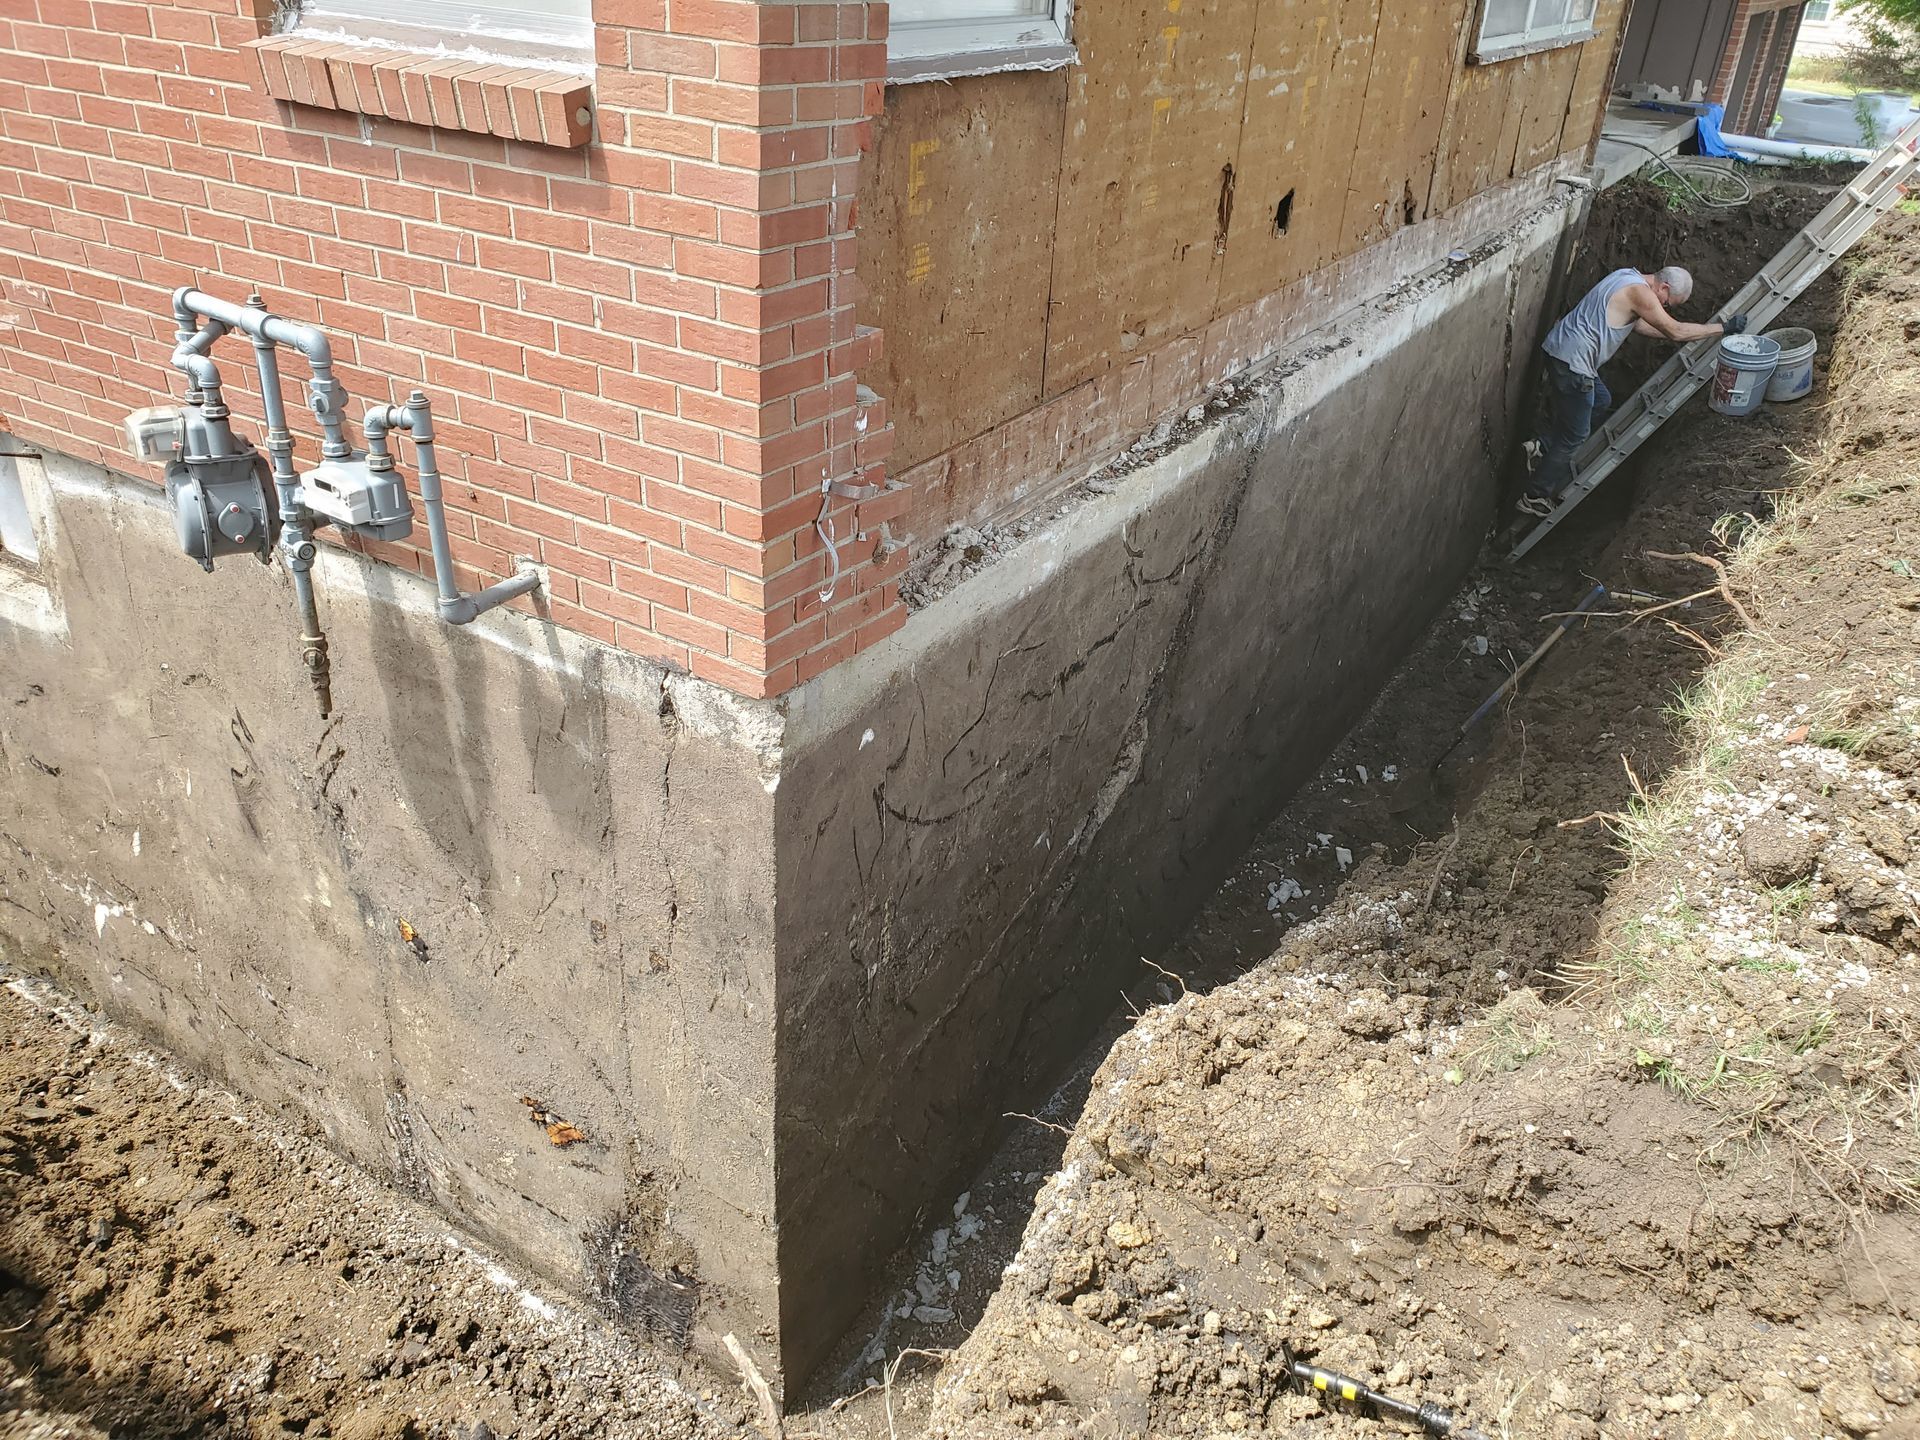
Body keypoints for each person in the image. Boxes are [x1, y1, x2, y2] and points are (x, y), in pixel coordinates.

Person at [1518, 265, 1746, 516]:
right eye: (1667, 303)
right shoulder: (1641, 293)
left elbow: (1641, 326)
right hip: (1574, 365)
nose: (1664, 307)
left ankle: (1543, 446)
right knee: (1575, 436)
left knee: (1601, 400)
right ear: (1664, 287)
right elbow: (1675, 330)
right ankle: (1534, 496)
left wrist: (1674, 332)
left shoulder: (1626, 276)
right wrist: (1722, 329)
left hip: (1561, 351)